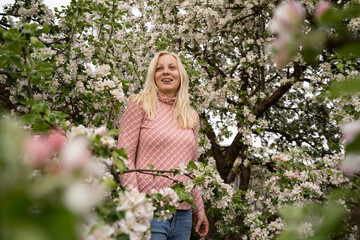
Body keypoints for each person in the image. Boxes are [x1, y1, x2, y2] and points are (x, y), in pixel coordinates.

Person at [117, 51, 209, 239]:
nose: (166, 72)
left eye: (171, 67)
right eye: (160, 69)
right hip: (149, 211)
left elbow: (192, 168)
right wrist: (136, 205)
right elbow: (123, 157)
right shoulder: (140, 104)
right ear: (153, 76)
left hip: (183, 215)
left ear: (181, 74)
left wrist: (199, 210)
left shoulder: (191, 116)